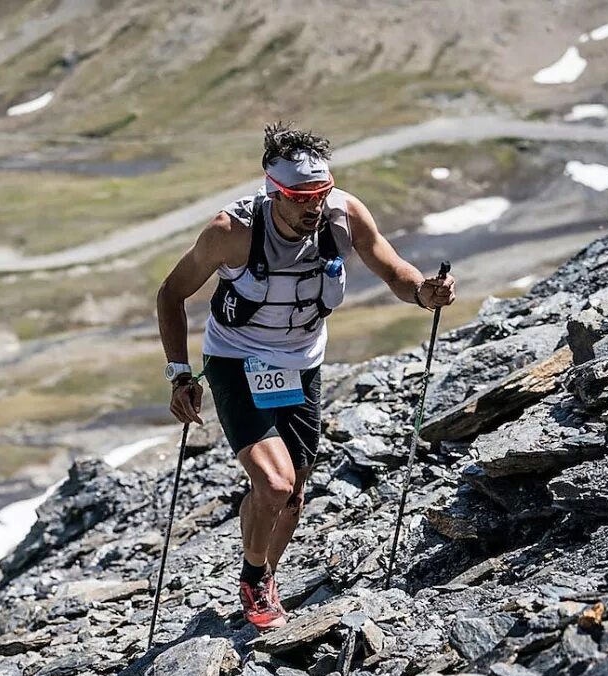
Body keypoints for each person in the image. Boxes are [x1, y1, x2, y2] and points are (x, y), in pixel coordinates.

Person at [155, 121, 456, 630]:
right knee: (274, 484)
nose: (313, 205)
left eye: (321, 191)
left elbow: (393, 270)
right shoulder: (231, 233)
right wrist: (180, 374)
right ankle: (254, 578)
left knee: (293, 493)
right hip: (236, 360)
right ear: (274, 191)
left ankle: (264, 573)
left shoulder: (345, 215)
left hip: (300, 364)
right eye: (300, 196)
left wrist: (425, 293)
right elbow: (171, 293)